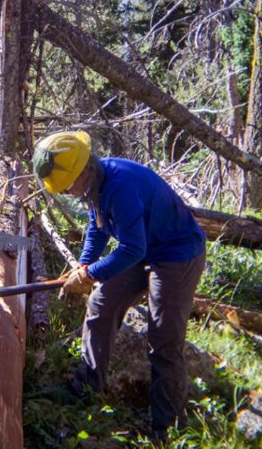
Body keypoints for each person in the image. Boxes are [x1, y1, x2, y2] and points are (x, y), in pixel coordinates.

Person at [32, 131, 206, 438]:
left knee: (164, 337)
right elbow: (96, 226)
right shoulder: (94, 185)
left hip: (176, 253)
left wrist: (88, 276)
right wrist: (84, 264)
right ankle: (87, 385)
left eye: (68, 185)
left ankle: (167, 426)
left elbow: (131, 249)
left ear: (84, 170)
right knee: (101, 304)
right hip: (144, 246)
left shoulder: (120, 186)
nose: (68, 193)